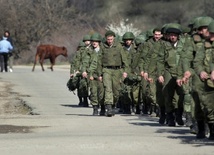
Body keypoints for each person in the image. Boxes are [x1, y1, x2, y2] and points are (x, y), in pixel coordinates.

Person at [157, 23, 185, 127]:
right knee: (167, 94)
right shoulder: (164, 45)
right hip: (168, 70)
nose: (172, 37)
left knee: (182, 94)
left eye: (174, 35)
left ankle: (179, 114)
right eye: (171, 35)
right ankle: (170, 117)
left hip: (181, 71)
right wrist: (160, 74)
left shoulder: (183, 45)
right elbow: (160, 60)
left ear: (178, 36)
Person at [97, 30, 129, 117]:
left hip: (117, 70)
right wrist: (100, 74)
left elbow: (125, 60)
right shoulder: (103, 47)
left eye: (111, 39)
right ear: (106, 39)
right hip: (106, 70)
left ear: (114, 38)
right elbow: (99, 61)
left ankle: (113, 104)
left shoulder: (119, 46)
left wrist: (125, 71)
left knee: (116, 91)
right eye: (108, 39)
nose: (109, 41)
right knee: (108, 88)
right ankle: (109, 108)